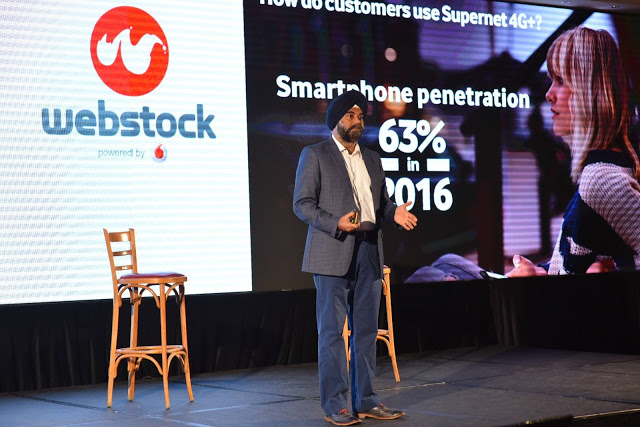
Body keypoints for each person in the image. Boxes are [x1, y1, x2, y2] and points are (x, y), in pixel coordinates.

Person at [293, 90, 417, 425]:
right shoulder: (315, 154)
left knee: (365, 333)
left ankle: (367, 401)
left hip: (369, 251)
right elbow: (302, 204)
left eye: (361, 116)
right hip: (332, 250)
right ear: (336, 120)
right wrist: (335, 223)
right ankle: (336, 405)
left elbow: (382, 203)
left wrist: (393, 213)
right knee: (332, 334)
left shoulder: (372, 159)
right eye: (350, 115)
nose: (357, 121)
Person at [509, 27, 640, 277]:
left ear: (588, 91)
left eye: (561, 80)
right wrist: (540, 273)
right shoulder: (600, 173)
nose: (549, 94)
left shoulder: (601, 180)